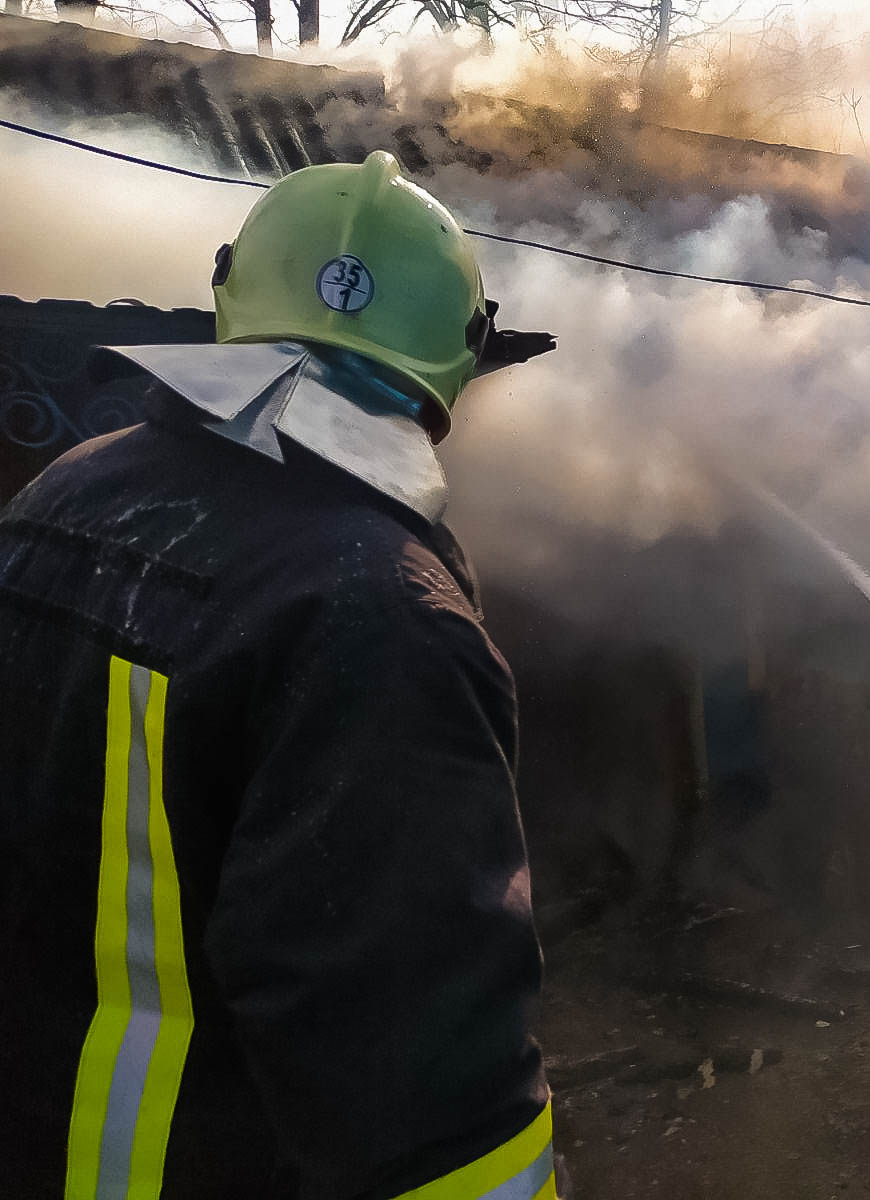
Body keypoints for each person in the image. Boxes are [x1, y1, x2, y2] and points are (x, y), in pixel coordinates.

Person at [0, 150, 560, 1198]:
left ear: (230, 293)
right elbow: (421, 1093)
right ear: (460, 355)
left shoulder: (62, 494)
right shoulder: (380, 612)